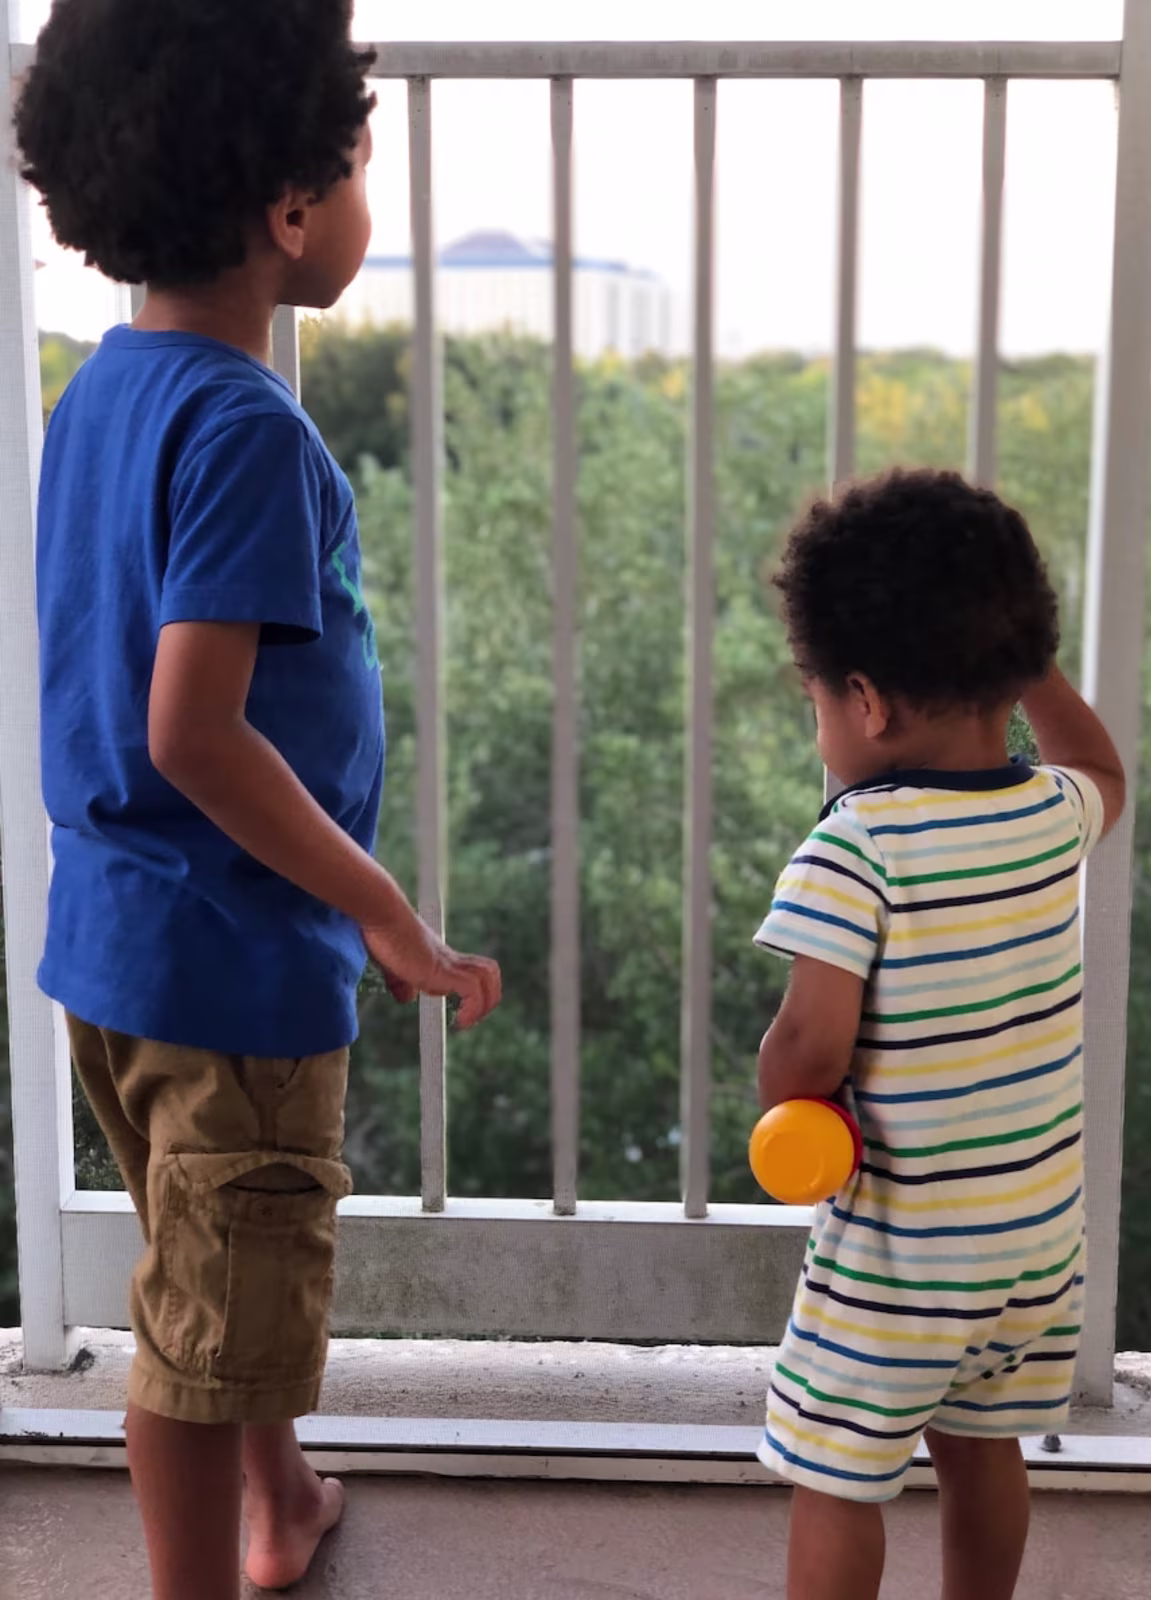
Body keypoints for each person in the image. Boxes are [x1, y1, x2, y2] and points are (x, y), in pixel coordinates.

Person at [16, 3, 502, 1595]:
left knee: (215, 1265)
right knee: (199, 1333)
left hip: (118, 941)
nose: (363, 207)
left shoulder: (107, 391)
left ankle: (281, 1495)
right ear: (292, 208)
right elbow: (196, 734)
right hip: (233, 963)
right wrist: (387, 913)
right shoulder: (246, 430)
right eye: (357, 171)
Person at [753, 469, 1125, 1600]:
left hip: (904, 1256)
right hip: (1031, 1246)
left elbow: (811, 1048)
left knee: (836, 1475)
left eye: (816, 697)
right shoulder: (1048, 814)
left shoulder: (855, 848)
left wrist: (778, 1084)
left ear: (865, 701)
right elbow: (1104, 768)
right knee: (983, 1449)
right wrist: (1024, 662)